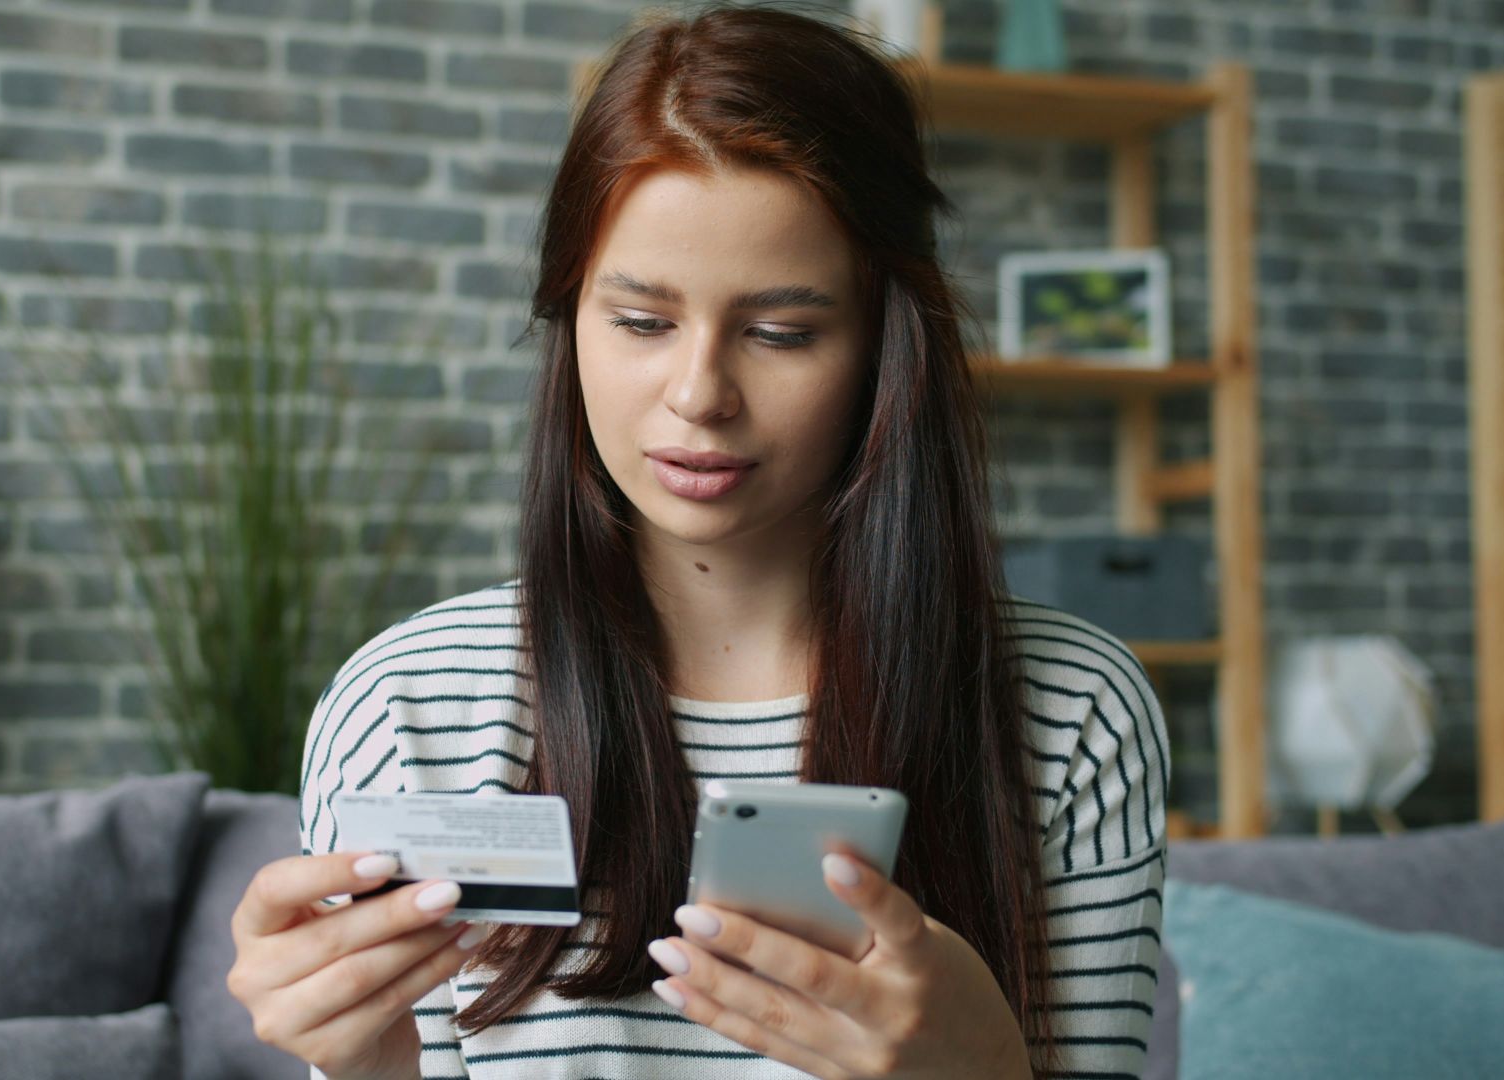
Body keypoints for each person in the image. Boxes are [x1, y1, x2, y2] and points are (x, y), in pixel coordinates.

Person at [226, 4, 1169, 1078]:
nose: (699, 394)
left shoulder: (1073, 712)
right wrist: (362, 1062)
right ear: (569, 318)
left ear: (885, 345)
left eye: (781, 332)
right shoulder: (408, 704)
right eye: (639, 321)